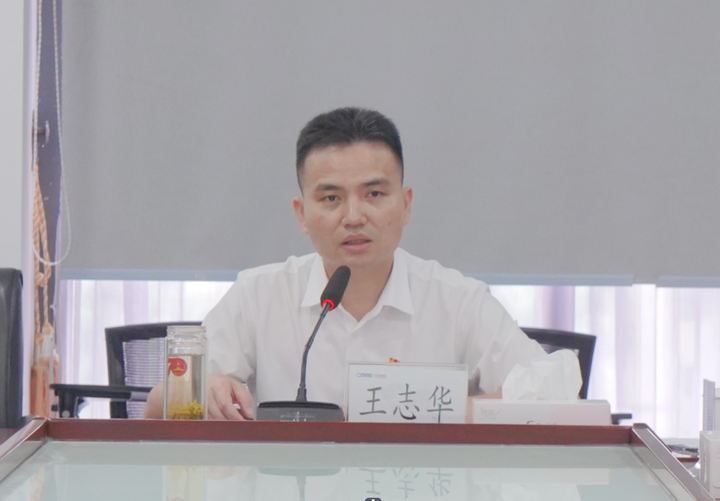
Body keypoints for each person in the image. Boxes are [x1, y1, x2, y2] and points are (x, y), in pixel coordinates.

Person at [145, 107, 577, 420]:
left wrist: (434, 411)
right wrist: (201, 389)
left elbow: (557, 395)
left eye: (374, 194)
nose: (354, 216)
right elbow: (157, 405)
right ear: (302, 214)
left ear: (405, 205)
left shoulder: (458, 301)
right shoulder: (259, 295)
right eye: (331, 197)